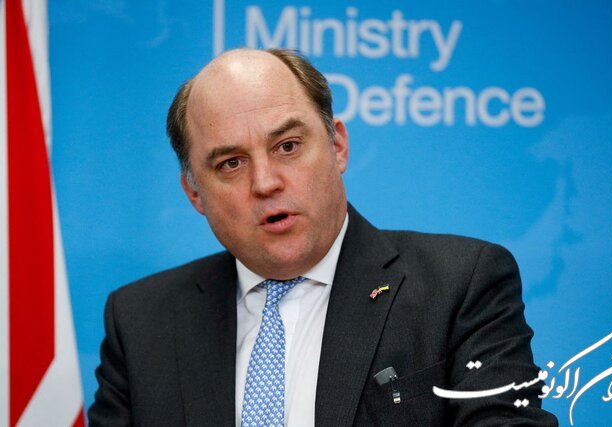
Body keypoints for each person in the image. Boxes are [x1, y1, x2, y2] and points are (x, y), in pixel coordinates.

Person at [88, 48, 558, 426]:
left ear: (337, 146)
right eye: (231, 163)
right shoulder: (140, 321)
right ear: (194, 192)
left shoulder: (459, 285)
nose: (265, 182)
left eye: (288, 146)